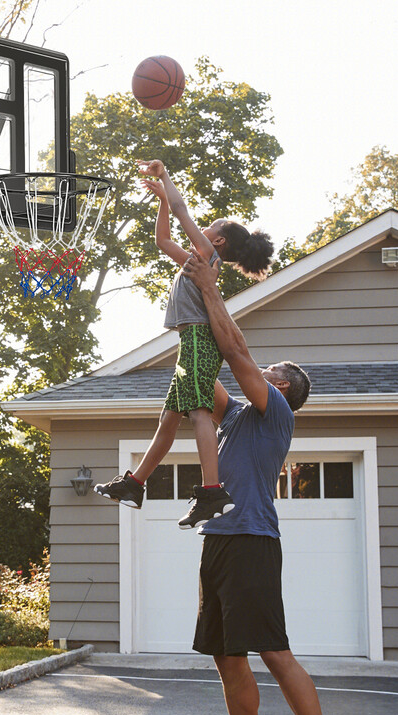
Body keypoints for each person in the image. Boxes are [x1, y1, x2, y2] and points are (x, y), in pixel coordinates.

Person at [179, 247, 351, 715]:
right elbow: (205, 368)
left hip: (253, 539)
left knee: (274, 653)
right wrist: (188, 302)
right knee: (227, 657)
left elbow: (236, 349)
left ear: (283, 391)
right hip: (218, 542)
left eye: (272, 372)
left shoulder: (275, 412)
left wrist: (211, 285)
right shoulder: (233, 416)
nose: (263, 369)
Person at [94, 159, 274, 528]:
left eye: (210, 227)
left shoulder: (207, 255)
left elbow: (181, 211)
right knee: (168, 421)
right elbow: (162, 241)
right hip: (189, 342)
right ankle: (134, 484)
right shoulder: (195, 261)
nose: (203, 228)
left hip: (198, 339)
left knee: (198, 413)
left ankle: (212, 490)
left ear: (217, 240)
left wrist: (165, 176)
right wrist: (161, 199)